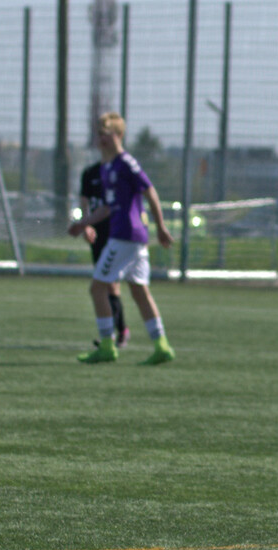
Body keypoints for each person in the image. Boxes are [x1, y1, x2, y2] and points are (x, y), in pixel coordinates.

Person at [68, 112, 175, 366]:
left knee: (97, 288)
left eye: (105, 133)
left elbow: (149, 191)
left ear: (117, 135)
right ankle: (161, 345)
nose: (100, 138)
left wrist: (161, 226)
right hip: (133, 238)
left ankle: (107, 345)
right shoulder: (107, 168)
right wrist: (84, 224)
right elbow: (106, 207)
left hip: (125, 235)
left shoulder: (126, 163)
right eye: (99, 134)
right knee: (139, 291)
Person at [75, 160, 129, 348]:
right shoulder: (90, 172)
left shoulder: (120, 170)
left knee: (109, 285)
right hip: (97, 236)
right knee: (105, 285)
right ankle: (119, 331)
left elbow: (111, 207)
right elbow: (85, 201)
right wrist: (86, 224)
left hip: (115, 234)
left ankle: (114, 334)